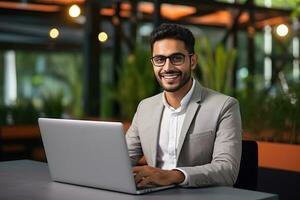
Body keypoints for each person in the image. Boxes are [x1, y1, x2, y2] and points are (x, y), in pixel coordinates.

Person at [125, 23, 242, 188]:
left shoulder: (224, 106)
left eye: (176, 58)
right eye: (159, 59)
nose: (167, 67)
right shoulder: (145, 107)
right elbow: (122, 160)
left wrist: (173, 176)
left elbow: (227, 170)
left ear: (192, 61)